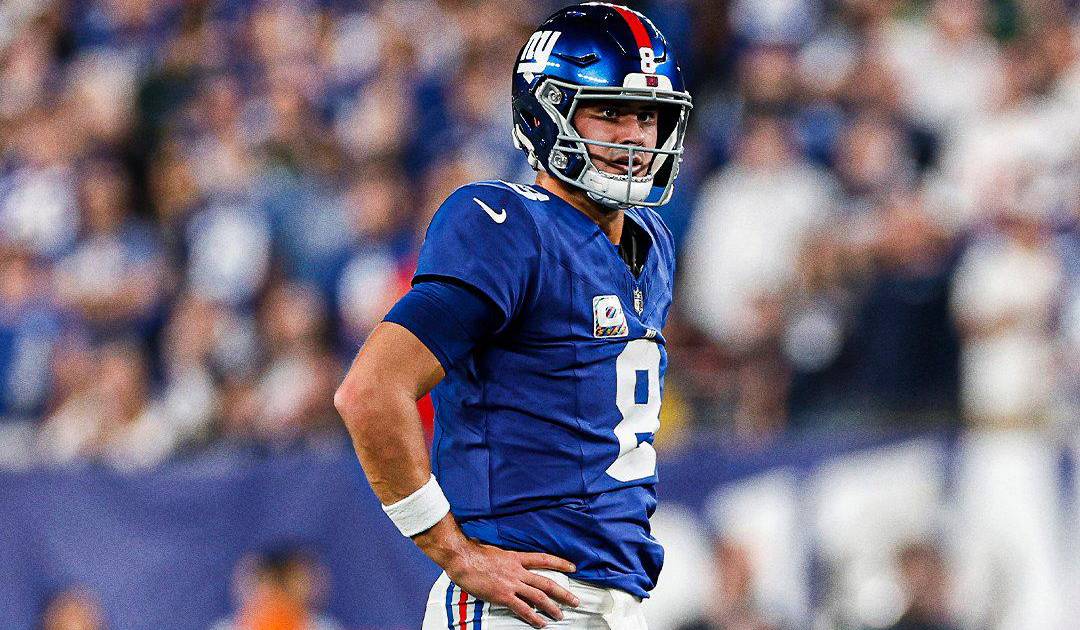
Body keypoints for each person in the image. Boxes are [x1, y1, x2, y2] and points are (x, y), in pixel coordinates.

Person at [334, 3, 691, 629]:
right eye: (609, 112)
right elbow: (370, 392)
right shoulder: (506, 225)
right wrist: (454, 551)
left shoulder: (651, 241)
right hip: (518, 606)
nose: (635, 136)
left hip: (614, 601)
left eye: (647, 115)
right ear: (546, 112)